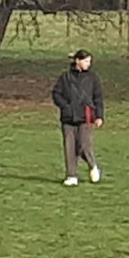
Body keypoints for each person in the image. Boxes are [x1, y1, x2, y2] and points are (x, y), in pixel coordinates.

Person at [51, 49, 105, 186]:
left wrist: (99, 116)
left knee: (83, 145)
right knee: (69, 146)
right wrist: (65, 106)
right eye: (86, 61)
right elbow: (56, 94)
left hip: (86, 116)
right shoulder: (65, 77)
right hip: (68, 117)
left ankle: (93, 166)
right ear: (77, 61)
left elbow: (98, 98)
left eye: (89, 61)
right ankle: (71, 175)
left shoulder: (93, 78)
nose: (88, 64)